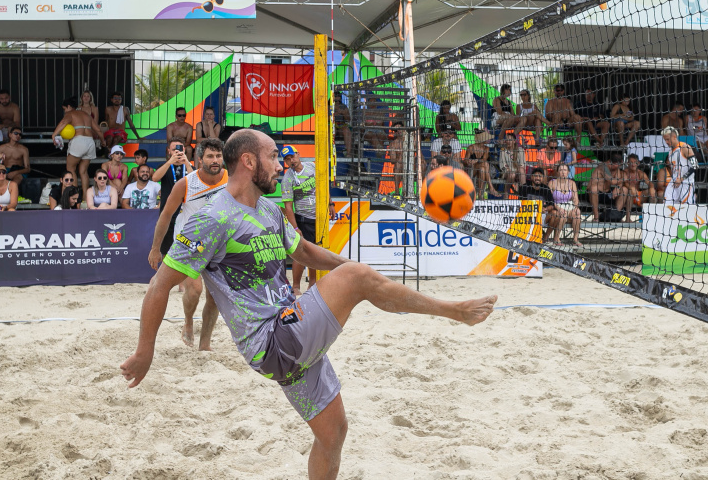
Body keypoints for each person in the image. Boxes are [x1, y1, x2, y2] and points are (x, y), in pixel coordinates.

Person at [120, 129, 496, 479]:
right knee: (357, 278)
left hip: (291, 330)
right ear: (248, 162)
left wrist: (352, 268)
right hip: (270, 338)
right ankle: (454, 310)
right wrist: (145, 350)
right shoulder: (212, 217)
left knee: (333, 433)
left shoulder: (267, 209)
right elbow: (158, 286)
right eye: (273, 156)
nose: (280, 164)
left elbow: (302, 251)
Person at [149, 138, 224, 350]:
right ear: (200, 159)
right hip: (189, 240)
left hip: (217, 241)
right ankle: (189, 321)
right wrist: (155, 248)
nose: (215, 160)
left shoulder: (231, 179)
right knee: (194, 290)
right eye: (210, 156)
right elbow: (165, 216)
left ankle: (205, 344)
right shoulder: (185, 183)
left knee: (214, 297)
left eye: (218, 156)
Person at [151, 140, 195, 281]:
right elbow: (155, 178)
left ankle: (183, 283)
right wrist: (170, 161)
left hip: (186, 214)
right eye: (174, 149)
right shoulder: (164, 166)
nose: (177, 151)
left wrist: (186, 162)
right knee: (167, 250)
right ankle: (166, 280)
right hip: (168, 214)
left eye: (180, 148)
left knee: (186, 251)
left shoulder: (189, 166)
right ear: (169, 151)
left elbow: (196, 181)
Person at [281, 145, 319, 296]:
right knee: (300, 252)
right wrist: (296, 228)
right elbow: (288, 207)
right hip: (303, 218)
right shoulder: (287, 179)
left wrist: (330, 204)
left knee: (315, 252)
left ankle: (313, 283)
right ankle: (296, 286)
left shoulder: (312, 167)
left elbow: (323, 185)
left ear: (298, 154)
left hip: (319, 216)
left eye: (292, 156)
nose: (291, 160)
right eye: (287, 159)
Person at [53, 96, 102, 191]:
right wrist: (103, 141)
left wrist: (54, 134)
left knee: (71, 169)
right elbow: (98, 130)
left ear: (68, 106)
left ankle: (74, 195)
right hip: (90, 142)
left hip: (79, 141)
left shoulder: (70, 114)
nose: (65, 111)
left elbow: (63, 122)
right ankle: (85, 197)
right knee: (83, 172)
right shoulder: (86, 115)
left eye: (64, 109)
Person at [518, 167, 559, 241]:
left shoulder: (546, 189)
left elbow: (552, 205)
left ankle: (545, 237)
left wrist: (545, 209)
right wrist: (535, 209)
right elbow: (520, 203)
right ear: (531, 177)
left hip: (542, 215)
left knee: (555, 214)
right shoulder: (524, 187)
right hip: (528, 216)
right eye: (536, 176)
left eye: (540, 176)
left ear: (543, 178)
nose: (538, 178)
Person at [548, 163, 582, 247]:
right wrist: (558, 208)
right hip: (556, 206)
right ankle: (556, 239)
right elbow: (550, 200)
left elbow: (576, 198)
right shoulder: (552, 183)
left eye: (565, 170)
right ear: (557, 172)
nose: (563, 172)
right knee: (563, 214)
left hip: (569, 205)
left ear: (568, 172)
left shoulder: (572, 183)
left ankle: (575, 239)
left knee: (577, 213)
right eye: (561, 170)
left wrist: (576, 207)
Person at [588, 154, 628, 222]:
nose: (617, 167)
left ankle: (615, 215)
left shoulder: (616, 169)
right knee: (593, 188)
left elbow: (619, 182)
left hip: (607, 194)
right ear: (609, 161)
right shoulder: (603, 166)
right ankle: (596, 217)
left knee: (625, 190)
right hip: (595, 194)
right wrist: (623, 179)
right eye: (615, 165)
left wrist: (618, 188)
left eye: (618, 165)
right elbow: (612, 181)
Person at [662, 126, 696, 205]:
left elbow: (695, 166)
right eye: (665, 140)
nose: (666, 142)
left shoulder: (685, 147)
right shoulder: (670, 152)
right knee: (666, 206)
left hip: (686, 183)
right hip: (674, 183)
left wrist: (681, 179)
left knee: (686, 209)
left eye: (668, 139)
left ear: (674, 137)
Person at [462, 130, 500, 197]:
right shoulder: (471, 148)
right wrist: (469, 162)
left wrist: (476, 160)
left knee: (482, 169)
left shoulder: (486, 148)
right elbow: (465, 162)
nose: (487, 139)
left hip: (482, 170)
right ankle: (491, 187)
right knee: (485, 164)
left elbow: (484, 159)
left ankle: (480, 194)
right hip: (472, 170)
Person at [622, 154, 657, 222]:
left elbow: (649, 182)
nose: (633, 165)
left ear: (638, 163)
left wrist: (652, 188)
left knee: (653, 193)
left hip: (638, 196)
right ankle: (628, 219)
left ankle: (652, 218)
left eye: (635, 162)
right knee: (630, 192)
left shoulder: (640, 173)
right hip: (627, 197)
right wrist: (631, 187)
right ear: (627, 163)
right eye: (631, 162)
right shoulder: (624, 172)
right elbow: (624, 183)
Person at [332, 92, 352, 157]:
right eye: (336, 101)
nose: (337, 102)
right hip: (332, 125)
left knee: (346, 130)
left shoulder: (343, 107)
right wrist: (333, 115)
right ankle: (330, 152)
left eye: (339, 101)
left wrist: (344, 113)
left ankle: (348, 153)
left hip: (341, 126)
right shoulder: (328, 107)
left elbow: (348, 120)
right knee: (332, 130)